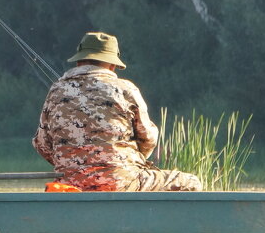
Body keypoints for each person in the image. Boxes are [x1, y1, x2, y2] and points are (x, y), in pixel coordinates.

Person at [33, 31, 201, 192]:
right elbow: (148, 139)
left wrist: (76, 164)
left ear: (79, 61)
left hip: (69, 184)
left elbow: (42, 144)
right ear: (112, 65)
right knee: (192, 182)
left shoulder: (56, 91)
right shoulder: (125, 89)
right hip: (122, 181)